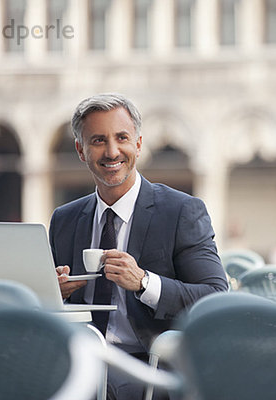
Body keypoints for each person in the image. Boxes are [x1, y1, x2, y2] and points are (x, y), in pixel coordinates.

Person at [49, 93, 228, 399]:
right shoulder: (64, 219)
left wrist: (144, 283)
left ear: (139, 144)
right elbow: (47, 308)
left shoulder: (181, 211)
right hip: (78, 360)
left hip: (149, 367)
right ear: (80, 150)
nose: (112, 151)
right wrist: (53, 292)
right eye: (98, 141)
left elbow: (214, 296)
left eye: (122, 138)